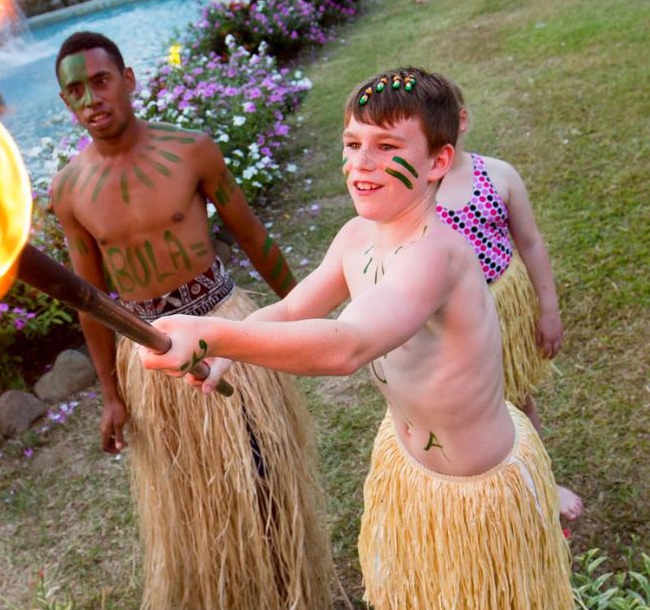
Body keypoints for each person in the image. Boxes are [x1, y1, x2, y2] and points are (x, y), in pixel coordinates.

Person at [140, 67, 573, 609]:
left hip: (477, 489)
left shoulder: (435, 254)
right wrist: (230, 350)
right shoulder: (355, 237)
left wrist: (212, 335)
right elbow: (293, 308)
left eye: (386, 146)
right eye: (352, 143)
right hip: (410, 465)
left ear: (438, 161)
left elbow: (350, 345)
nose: (362, 162)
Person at [49, 31, 334, 610]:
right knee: (195, 498)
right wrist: (111, 395)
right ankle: (236, 595)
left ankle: (292, 589)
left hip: (225, 330)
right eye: (75, 91)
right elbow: (89, 300)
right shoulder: (69, 191)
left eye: (101, 81)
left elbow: (253, 238)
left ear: (128, 80)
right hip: (152, 356)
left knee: (261, 469)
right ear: (66, 102)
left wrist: (308, 316)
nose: (91, 99)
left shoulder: (191, 150)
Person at [436, 78, 583, 520]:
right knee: (468, 411)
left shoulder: (498, 175)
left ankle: (540, 479)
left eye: (439, 122)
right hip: (449, 322)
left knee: (515, 398)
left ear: (462, 120)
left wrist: (549, 309)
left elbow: (531, 243)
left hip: (504, 309)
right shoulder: (415, 193)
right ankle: (486, 489)